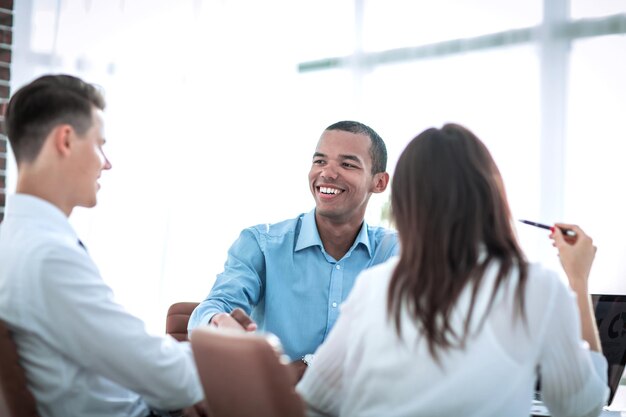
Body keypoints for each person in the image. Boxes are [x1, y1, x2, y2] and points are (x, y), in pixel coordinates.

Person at [296, 123, 609, 417]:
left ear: (404, 203)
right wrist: (578, 281)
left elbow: (316, 397)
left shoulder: (375, 286)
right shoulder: (536, 288)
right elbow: (581, 407)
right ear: (491, 196)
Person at [0, 74, 207, 417]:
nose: (106, 162)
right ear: (65, 140)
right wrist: (231, 357)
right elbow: (167, 377)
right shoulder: (49, 256)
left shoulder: (12, 240)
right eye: (99, 144)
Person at [188, 120, 399, 367]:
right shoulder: (261, 244)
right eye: (320, 161)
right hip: (274, 399)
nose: (327, 173)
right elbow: (215, 306)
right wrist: (219, 321)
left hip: (359, 402)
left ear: (379, 182)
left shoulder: (396, 253)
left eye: (347, 164)